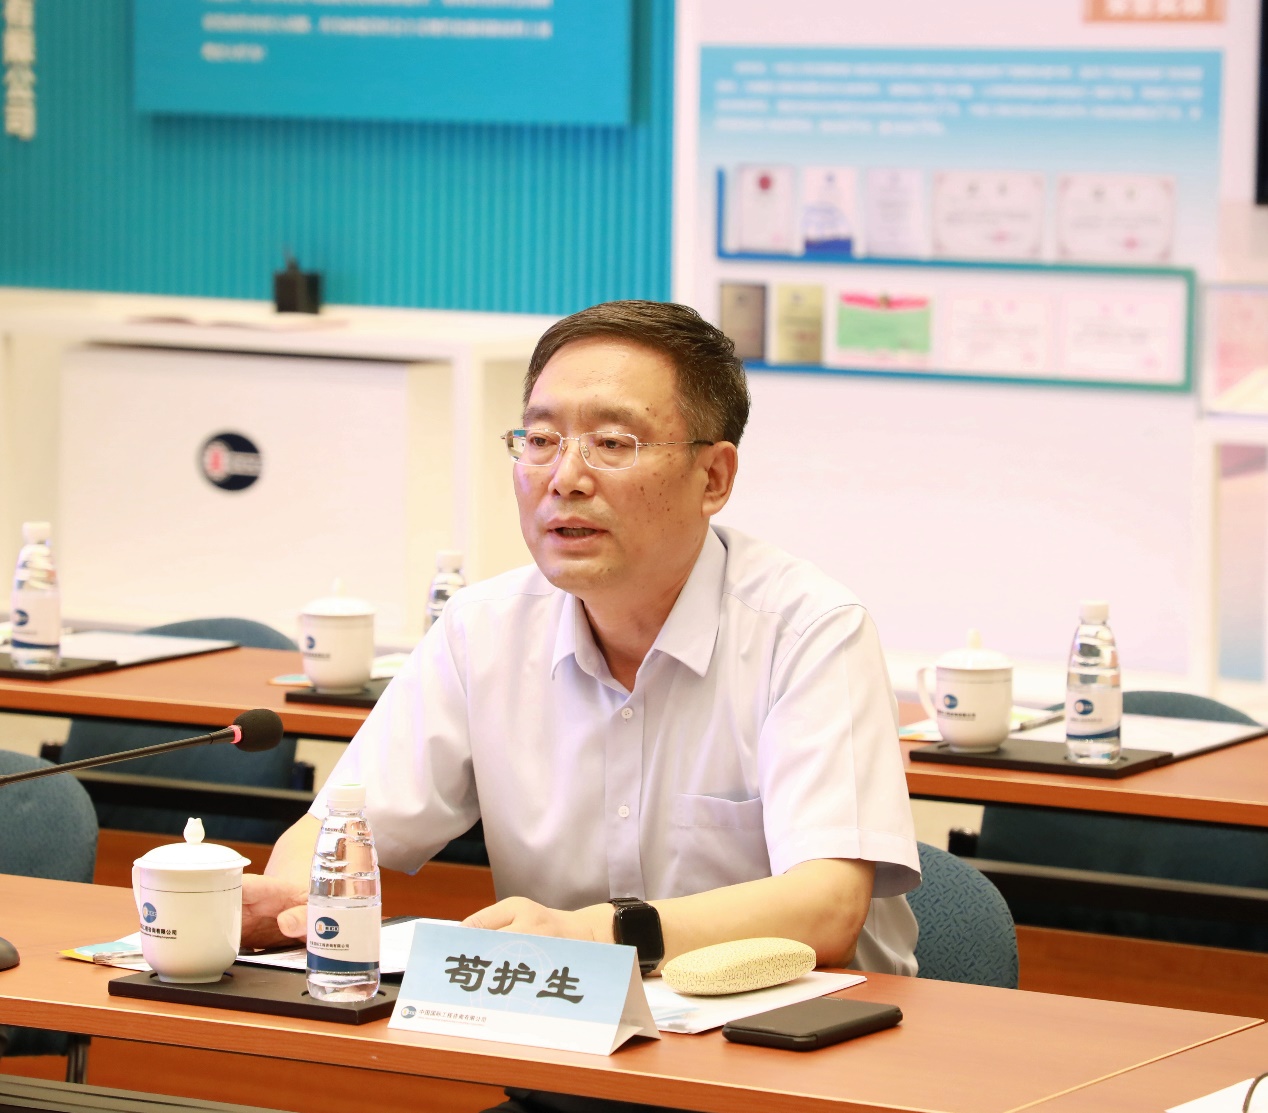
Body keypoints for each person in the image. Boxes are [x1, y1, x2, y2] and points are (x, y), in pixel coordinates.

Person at [242, 298, 919, 982]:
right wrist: (293, 899)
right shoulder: (482, 629)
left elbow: (828, 907)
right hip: (567, 1026)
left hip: (800, 1031)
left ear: (713, 478)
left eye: (613, 443)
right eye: (541, 440)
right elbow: (340, 825)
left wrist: (593, 933)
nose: (565, 478)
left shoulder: (810, 632)